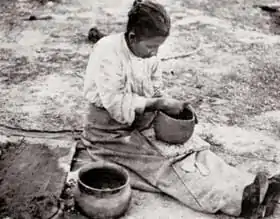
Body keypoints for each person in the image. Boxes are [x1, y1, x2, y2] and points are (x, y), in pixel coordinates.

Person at [82, 0, 280, 218]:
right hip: (110, 134)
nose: (154, 53)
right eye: (150, 47)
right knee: (167, 163)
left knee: (192, 149)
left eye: (158, 47)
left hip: (142, 121)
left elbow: (155, 88)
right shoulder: (108, 52)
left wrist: (168, 107)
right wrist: (158, 104)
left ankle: (250, 186)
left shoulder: (148, 56)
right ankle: (240, 202)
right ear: (132, 37)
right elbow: (115, 104)